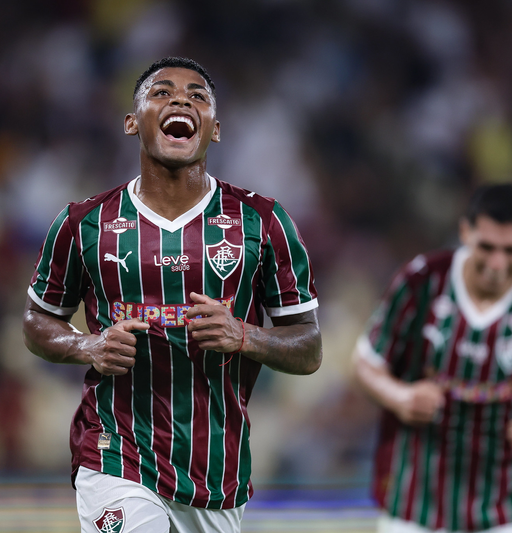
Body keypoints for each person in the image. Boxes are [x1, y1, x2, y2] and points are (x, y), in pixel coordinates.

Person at [22, 57, 321, 533]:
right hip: (115, 452)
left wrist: (245, 335)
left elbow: (308, 347)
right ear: (131, 122)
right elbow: (37, 320)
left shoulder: (262, 223)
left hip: (215, 471)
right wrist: (87, 346)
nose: (181, 100)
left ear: (215, 130)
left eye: (197, 96)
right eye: (161, 93)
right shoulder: (84, 223)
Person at [352, 184, 512, 533]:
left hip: (505, 512)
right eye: (487, 247)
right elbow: (366, 362)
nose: (497, 263)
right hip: (415, 507)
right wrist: (400, 396)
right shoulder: (421, 281)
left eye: (511, 250)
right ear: (465, 232)